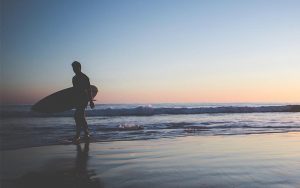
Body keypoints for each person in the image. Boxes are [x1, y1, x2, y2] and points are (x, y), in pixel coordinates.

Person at [72, 61, 95, 142]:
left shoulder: (84, 77)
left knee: (78, 116)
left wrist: (91, 101)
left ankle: (79, 135)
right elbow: (74, 90)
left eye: (75, 68)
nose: (74, 69)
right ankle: (86, 133)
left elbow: (89, 90)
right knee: (80, 117)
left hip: (83, 99)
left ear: (79, 67)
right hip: (77, 100)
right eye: (73, 68)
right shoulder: (74, 78)